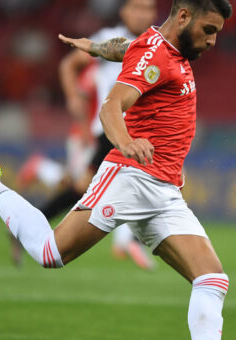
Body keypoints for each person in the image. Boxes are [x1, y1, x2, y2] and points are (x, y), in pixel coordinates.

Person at [0, 1, 233, 340]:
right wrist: (124, 142)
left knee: (212, 278)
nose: (213, 41)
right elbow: (111, 106)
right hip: (130, 179)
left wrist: (96, 48)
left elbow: (124, 49)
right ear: (184, 16)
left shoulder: (160, 46)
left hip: (164, 190)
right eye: (209, 30)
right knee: (51, 253)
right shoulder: (158, 55)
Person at [13, 0, 157, 270]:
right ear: (124, 11)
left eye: (148, 8)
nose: (143, 13)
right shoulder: (107, 40)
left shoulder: (156, 43)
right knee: (129, 186)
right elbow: (69, 65)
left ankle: (28, 226)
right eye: (137, 7)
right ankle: (129, 241)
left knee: (90, 188)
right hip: (113, 130)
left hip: (142, 131)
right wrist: (72, 97)